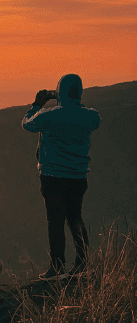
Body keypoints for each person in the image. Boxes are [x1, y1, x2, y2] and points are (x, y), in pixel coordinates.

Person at [22, 74, 101, 278]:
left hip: (52, 176)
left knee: (55, 221)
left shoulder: (47, 116)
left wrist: (37, 105)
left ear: (60, 92)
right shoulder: (90, 116)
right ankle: (82, 263)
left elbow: (27, 124)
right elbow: (93, 118)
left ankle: (57, 267)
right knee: (75, 217)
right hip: (78, 176)